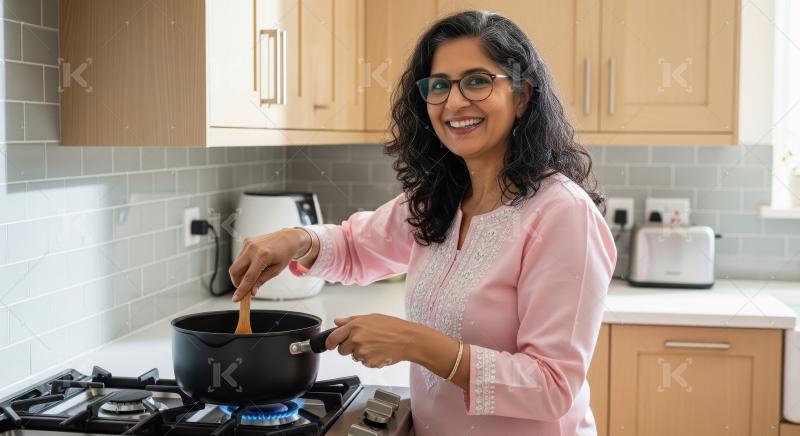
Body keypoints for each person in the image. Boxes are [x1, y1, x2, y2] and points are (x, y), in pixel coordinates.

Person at [229, 10, 616, 436]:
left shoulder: (563, 215)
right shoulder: (441, 196)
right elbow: (358, 246)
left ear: (522, 95)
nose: (453, 102)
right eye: (439, 85)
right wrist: (296, 238)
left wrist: (413, 343)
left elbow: (552, 387)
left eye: (477, 81)